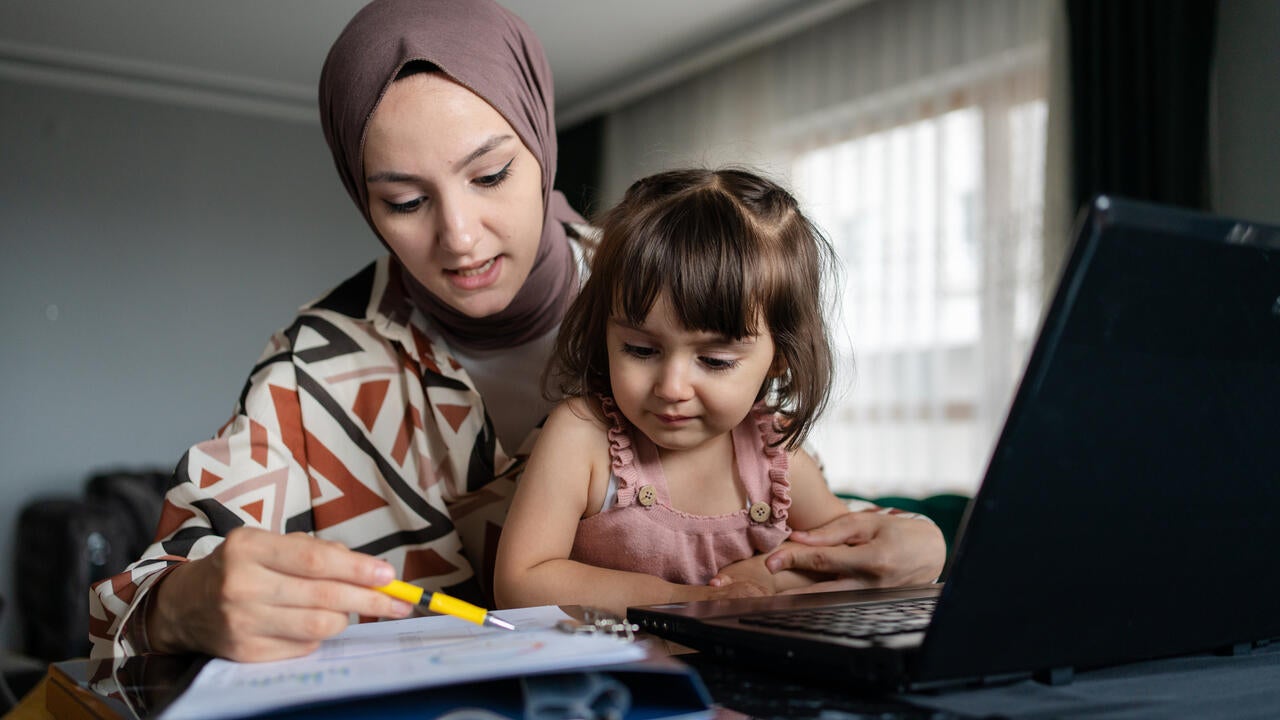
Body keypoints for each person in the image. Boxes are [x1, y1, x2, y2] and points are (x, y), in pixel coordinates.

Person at [89, 0, 943, 663]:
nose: (460, 237)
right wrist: (185, 605)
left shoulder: (666, 287)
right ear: (363, 202)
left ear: (542, 140)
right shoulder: (316, 373)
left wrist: (907, 541)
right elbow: (149, 588)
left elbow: (776, 503)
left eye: (491, 174)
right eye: (405, 200)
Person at [493, 168, 943, 616]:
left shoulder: (775, 455)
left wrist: (767, 575)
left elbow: (845, 555)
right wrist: (678, 601)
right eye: (639, 349)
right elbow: (521, 581)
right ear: (604, 333)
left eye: (715, 361)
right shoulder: (582, 437)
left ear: (779, 357)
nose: (671, 388)